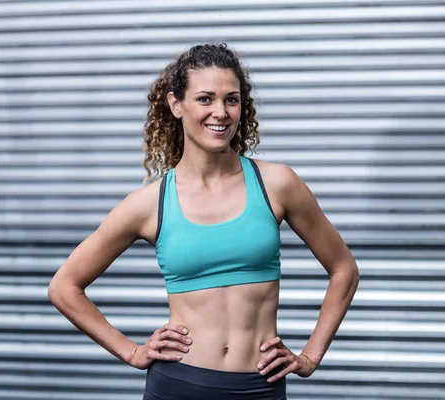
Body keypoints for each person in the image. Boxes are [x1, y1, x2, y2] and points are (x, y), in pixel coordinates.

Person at [48, 42, 359, 400]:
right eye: (205, 99)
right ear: (175, 104)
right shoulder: (149, 204)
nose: (221, 112)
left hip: (260, 388)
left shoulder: (277, 184)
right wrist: (132, 351)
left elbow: (343, 269)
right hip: (178, 385)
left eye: (231, 99)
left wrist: (311, 356)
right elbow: (64, 287)